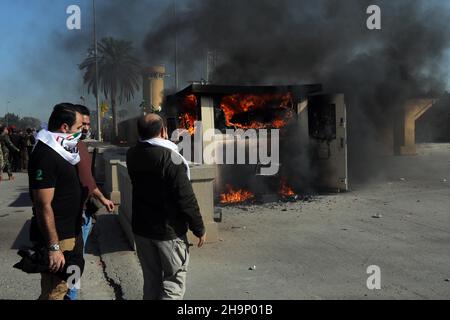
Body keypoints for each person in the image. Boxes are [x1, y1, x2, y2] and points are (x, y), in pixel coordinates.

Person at [126, 113, 206, 300]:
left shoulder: (132, 154)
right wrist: (199, 227)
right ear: (163, 131)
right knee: (173, 285)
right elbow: (185, 198)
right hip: (168, 232)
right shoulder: (171, 159)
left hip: (142, 230)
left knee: (151, 281)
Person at [28, 103, 85, 300]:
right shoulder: (46, 154)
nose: (82, 131)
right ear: (64, 127)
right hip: (59, 237)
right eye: (78, 127)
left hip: (73, 231)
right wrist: (54, 247)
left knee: (69, 285)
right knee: (55, 292)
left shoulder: (63, 150)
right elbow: (43, 204)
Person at [65, 104, 115, 300]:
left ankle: (70, 292)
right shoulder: (74, 147)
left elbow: (88, 180)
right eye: (81, 125)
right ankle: (72, 294)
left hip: (80, 212)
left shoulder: (75, 146)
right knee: (75, 259)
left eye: (87, 124)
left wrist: (102, 198)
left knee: (75, 258)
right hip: (76, 215)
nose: (85, 128)